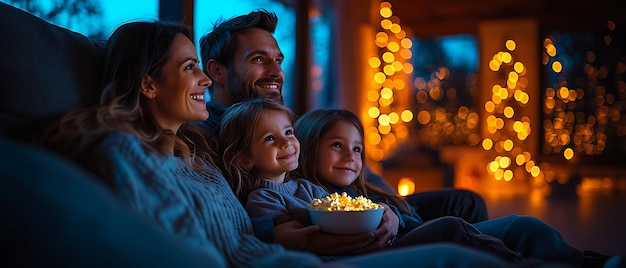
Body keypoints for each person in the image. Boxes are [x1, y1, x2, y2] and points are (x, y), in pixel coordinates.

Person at [37, 19, 536, 268]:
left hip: (306, 244)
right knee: (456, 245)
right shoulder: (147, 151)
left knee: (502, 224)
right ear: (148, 84)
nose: (277, 70)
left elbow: (275, 210)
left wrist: (376, 209)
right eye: (191, 69)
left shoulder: (194, 151)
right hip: (299, 257)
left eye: (278, 59)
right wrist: (291, 241)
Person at [196, 9, 488, 225]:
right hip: (342, 219)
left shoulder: (287, 122)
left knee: (464, 201)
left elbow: (355, 172)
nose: (276, 72)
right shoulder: (215, 133)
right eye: (258, 59)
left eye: (278, 60)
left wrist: (391, 206)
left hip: (360, 202)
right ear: (217, 71)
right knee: (463, 225)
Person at [217, 98, 524, 262]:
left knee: (483, 212)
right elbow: (288, 232)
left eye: (288, 134)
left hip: (379, 238)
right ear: (245, 159)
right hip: (361, 250)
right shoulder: (264, 198)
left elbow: (352, 206)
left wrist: (386, 213)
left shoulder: (305, 187)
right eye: (271, 138)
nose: (286, 143)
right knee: (452, 227)